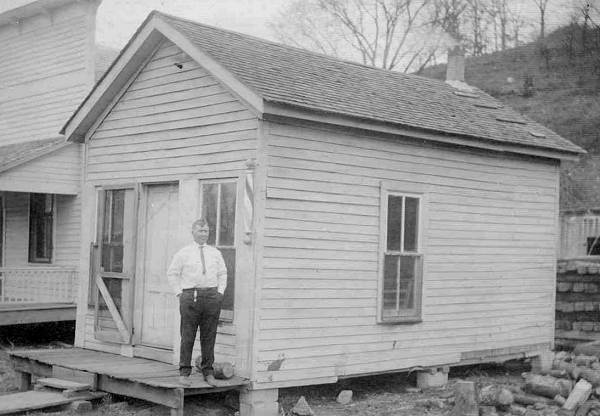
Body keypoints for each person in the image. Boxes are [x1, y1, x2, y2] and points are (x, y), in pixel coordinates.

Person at [166, 218, 227, 386]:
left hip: (211, 297)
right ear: (193, 232)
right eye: (200, 231)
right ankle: (184, 373)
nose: (203, 234)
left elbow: (223, 274)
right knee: (188, 335)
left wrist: (220, 293)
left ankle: (208, 372)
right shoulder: (184, 253)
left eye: (206, 231)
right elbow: (172, 273)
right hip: (190, 297)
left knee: (209, 336)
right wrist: (179, 293)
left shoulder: (215, 253)